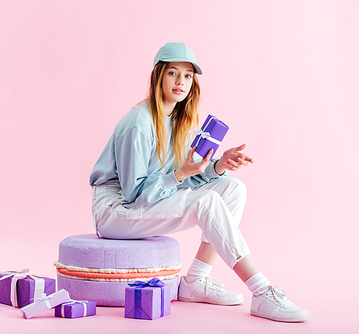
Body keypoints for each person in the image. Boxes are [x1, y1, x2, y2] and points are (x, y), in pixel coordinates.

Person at [89, 42, 308, 323]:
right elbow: (136, 195)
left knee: (232, 188)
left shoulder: (176, 120)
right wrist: (180, 174)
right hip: (116, 210)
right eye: (172, 73)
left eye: (188, 76)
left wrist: (218, 165)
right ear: (158, 76)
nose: (181, 82)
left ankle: (195, 281)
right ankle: (261, 290)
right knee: (206, 201)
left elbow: (180, 178)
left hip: (144, 200)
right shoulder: (139, 123)